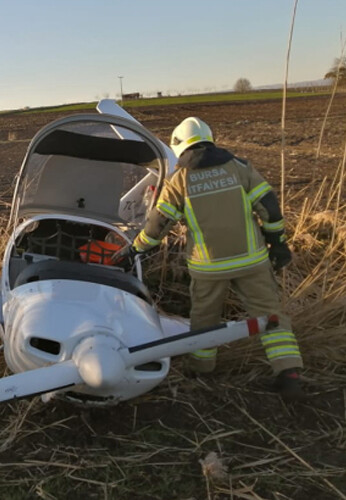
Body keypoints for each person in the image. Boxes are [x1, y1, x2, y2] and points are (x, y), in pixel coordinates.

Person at [115, 117, 303, 400]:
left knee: (205, 321)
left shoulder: (180, 180)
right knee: (271, 316)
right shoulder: (239, 168)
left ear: (179, 146)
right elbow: (270, 209)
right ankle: (289, 373)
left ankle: (202, 369)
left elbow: (158, 224)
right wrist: (278, 245)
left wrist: (135, 250)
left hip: (208, 268)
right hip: (252, 261)